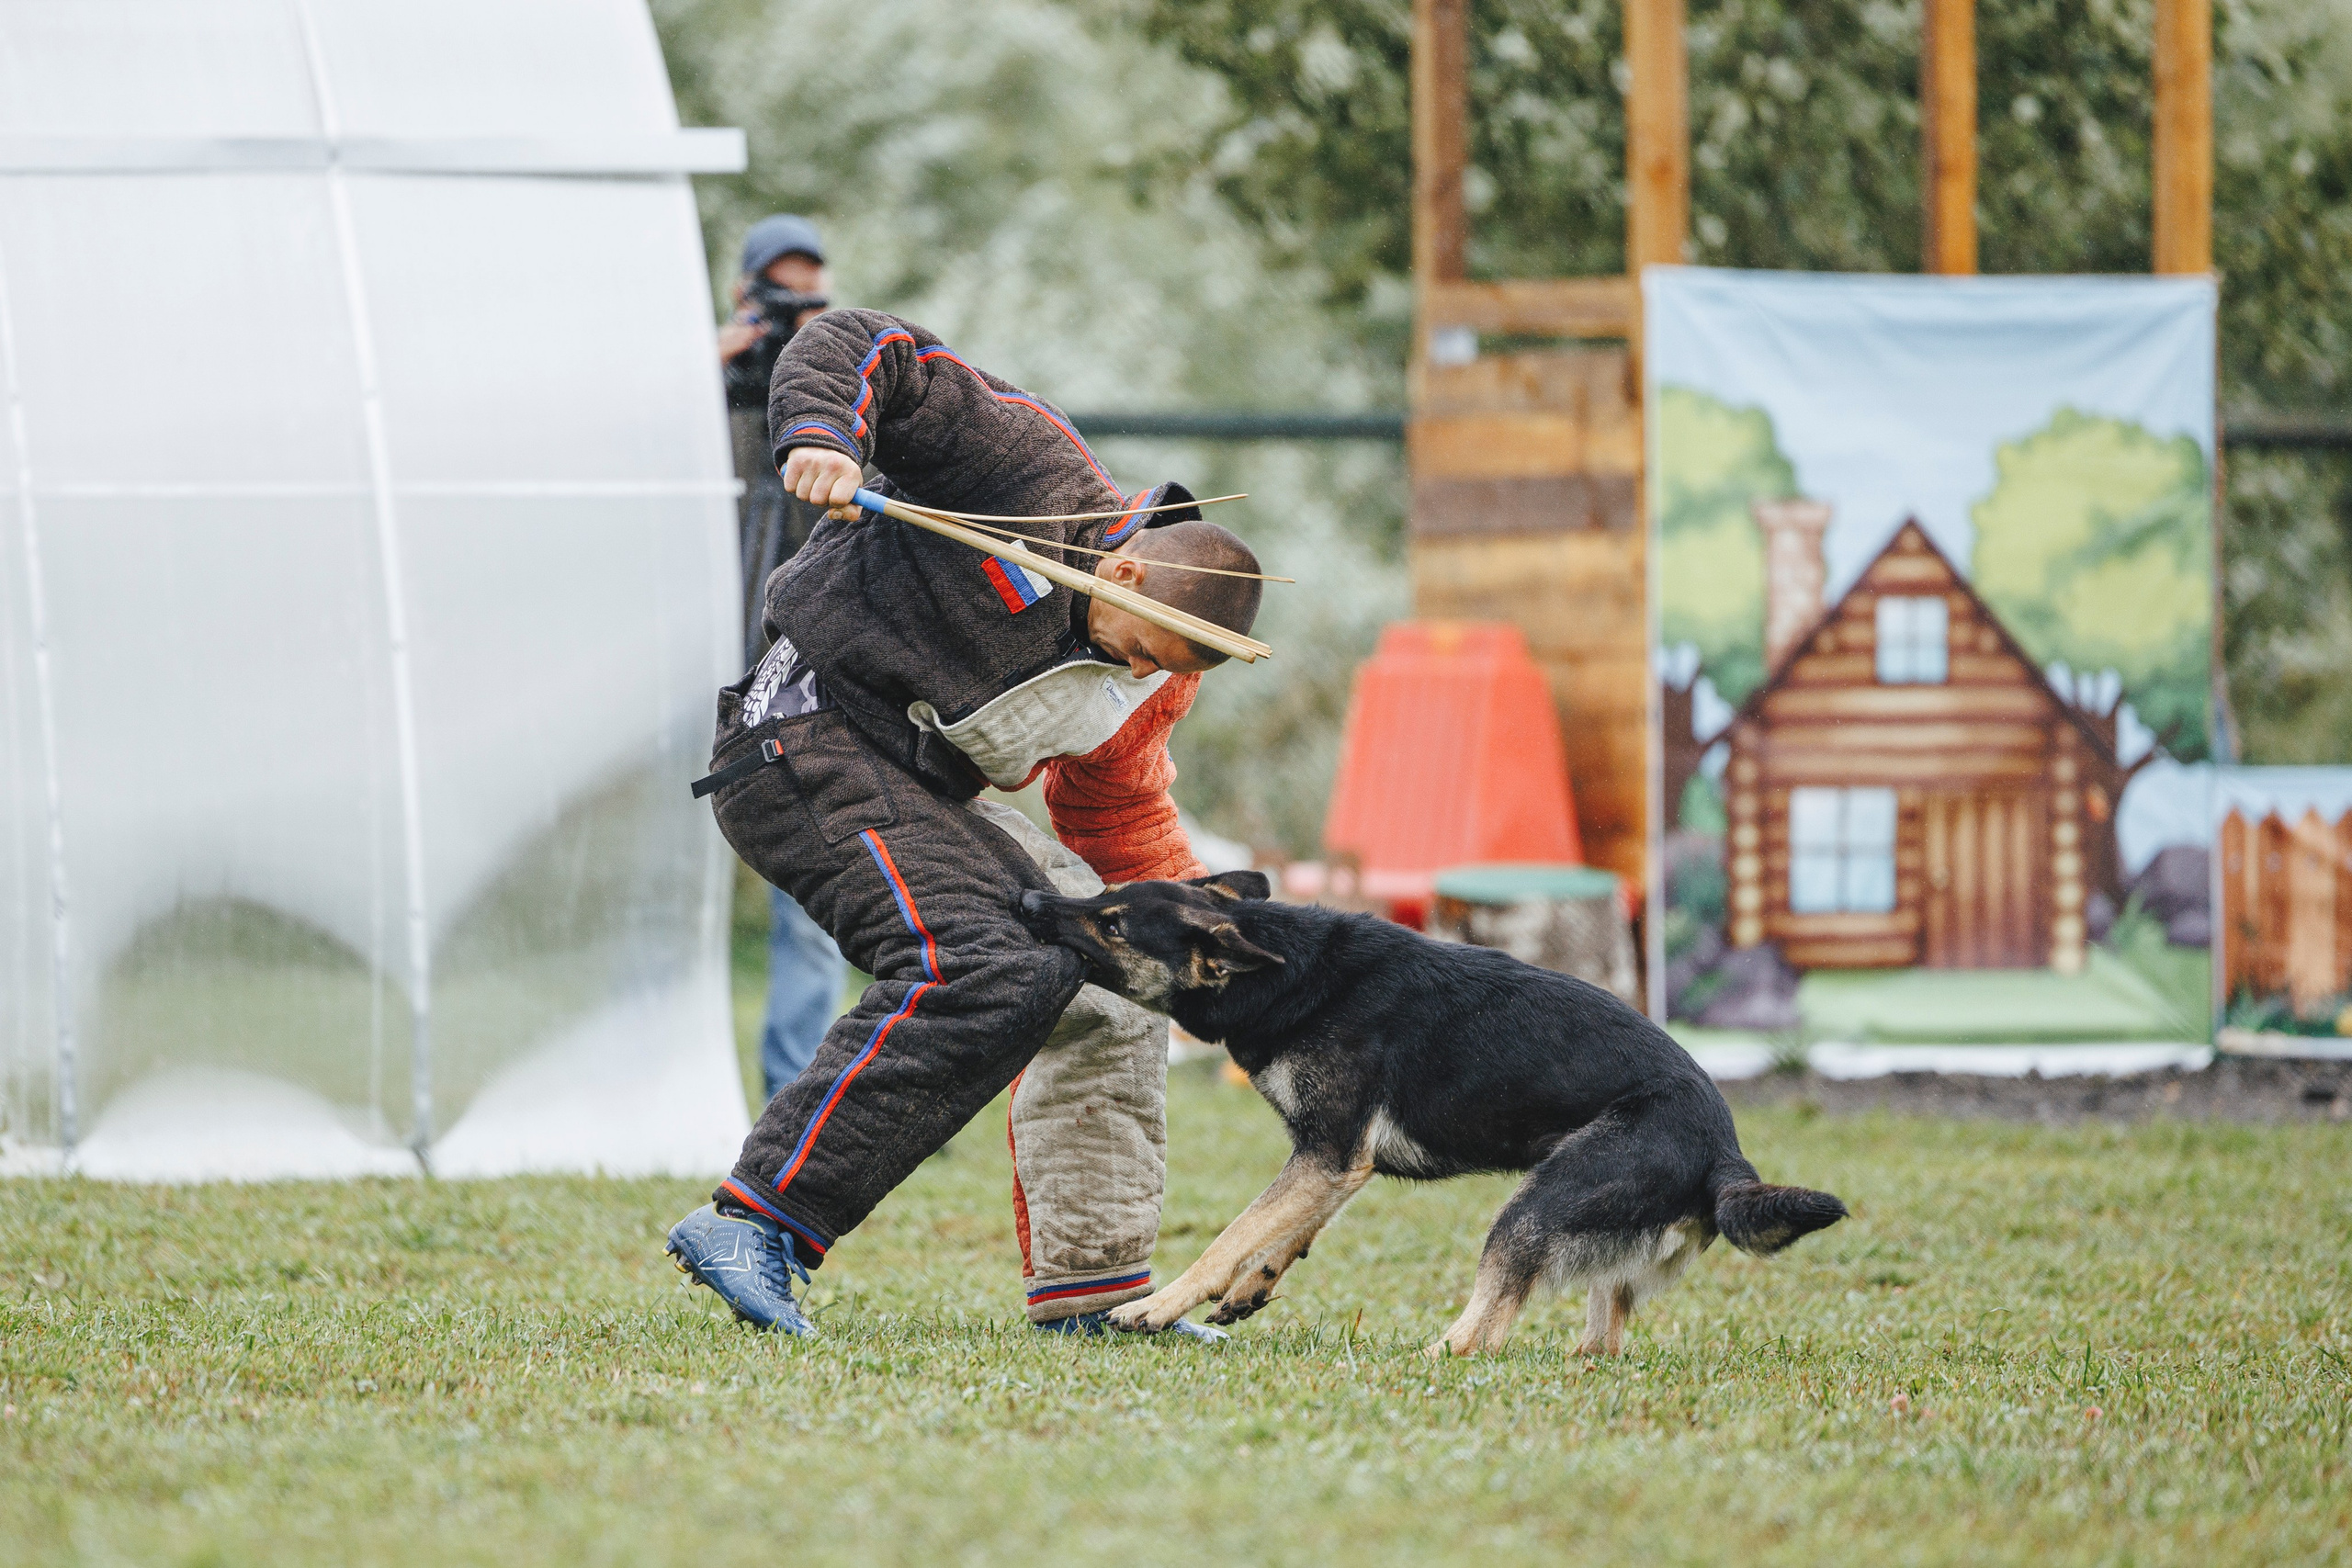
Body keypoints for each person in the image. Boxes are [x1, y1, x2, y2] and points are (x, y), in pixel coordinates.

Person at [664, 308, 1266, 1341]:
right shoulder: (1028, 474)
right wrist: (821, 436)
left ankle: (1096, 1294)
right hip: (799, 733)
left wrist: (1220, 953)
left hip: (920, 788)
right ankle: (757, 1224)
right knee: (979, 959)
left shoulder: (1156, 677)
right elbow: (870, 346)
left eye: (1168, 671)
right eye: (1145, 651)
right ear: (1121, 573)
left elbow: (1119, 815)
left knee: (1115, 978)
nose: (1144, 678)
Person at [718, 214, 848, 1101]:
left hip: (794, 670)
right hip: (687, 649)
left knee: (810, 894)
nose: (790, 309)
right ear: (742, 294)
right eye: (777, 293)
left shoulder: (834, 402)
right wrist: (716, 357)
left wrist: (817, 382)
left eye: (810, 297)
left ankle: (793, 1094)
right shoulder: (704, 386)